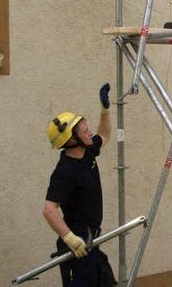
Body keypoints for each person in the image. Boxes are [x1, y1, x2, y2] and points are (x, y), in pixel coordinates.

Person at [43, 84, 116, 286]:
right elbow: (49, 209)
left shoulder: (88, 150)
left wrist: (104, 110)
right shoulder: (65, 171)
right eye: (84, 131)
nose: (89, 132)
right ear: (72, 140)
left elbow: (105, 135)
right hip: (77, 246)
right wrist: (70, 239)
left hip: (93, 240)